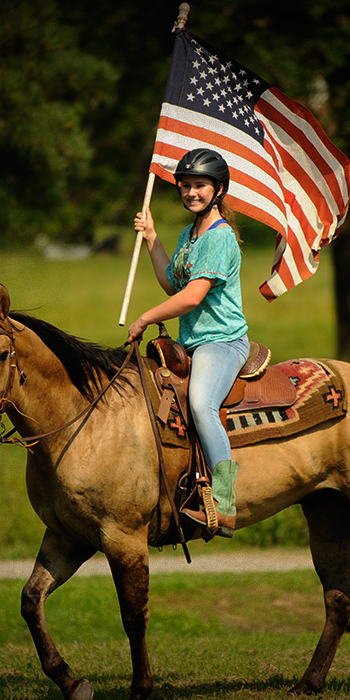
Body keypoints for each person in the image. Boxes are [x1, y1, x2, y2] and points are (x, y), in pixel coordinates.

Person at [127, 148, 250, 538]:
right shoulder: (188, 235)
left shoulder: (221, 236)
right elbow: (172, 282)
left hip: (222, 342)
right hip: (190, 342)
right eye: (186, 185)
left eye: (200, 185)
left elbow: (193, 296)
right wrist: (151, 238)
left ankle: (226, 504)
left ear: (219, 190)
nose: (192, 192)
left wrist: (147, 317)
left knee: (200, 403)